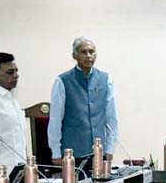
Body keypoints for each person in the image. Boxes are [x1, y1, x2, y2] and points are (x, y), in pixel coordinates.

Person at [48, 37, 118, 166]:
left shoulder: (106, 79)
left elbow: (111, 117)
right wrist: (55, 152)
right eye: (83, 52)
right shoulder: (62, 81)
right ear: (74, 55)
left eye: (91, 52)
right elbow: (55, 120)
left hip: (99, 152)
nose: (88, 55)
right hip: (72, 154)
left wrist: (110, 148)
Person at [0, 52, 26, 172]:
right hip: (2, 171)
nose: (16, 75)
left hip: (19, 168)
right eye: (10, 72)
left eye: (16, 71)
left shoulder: (12, 100)